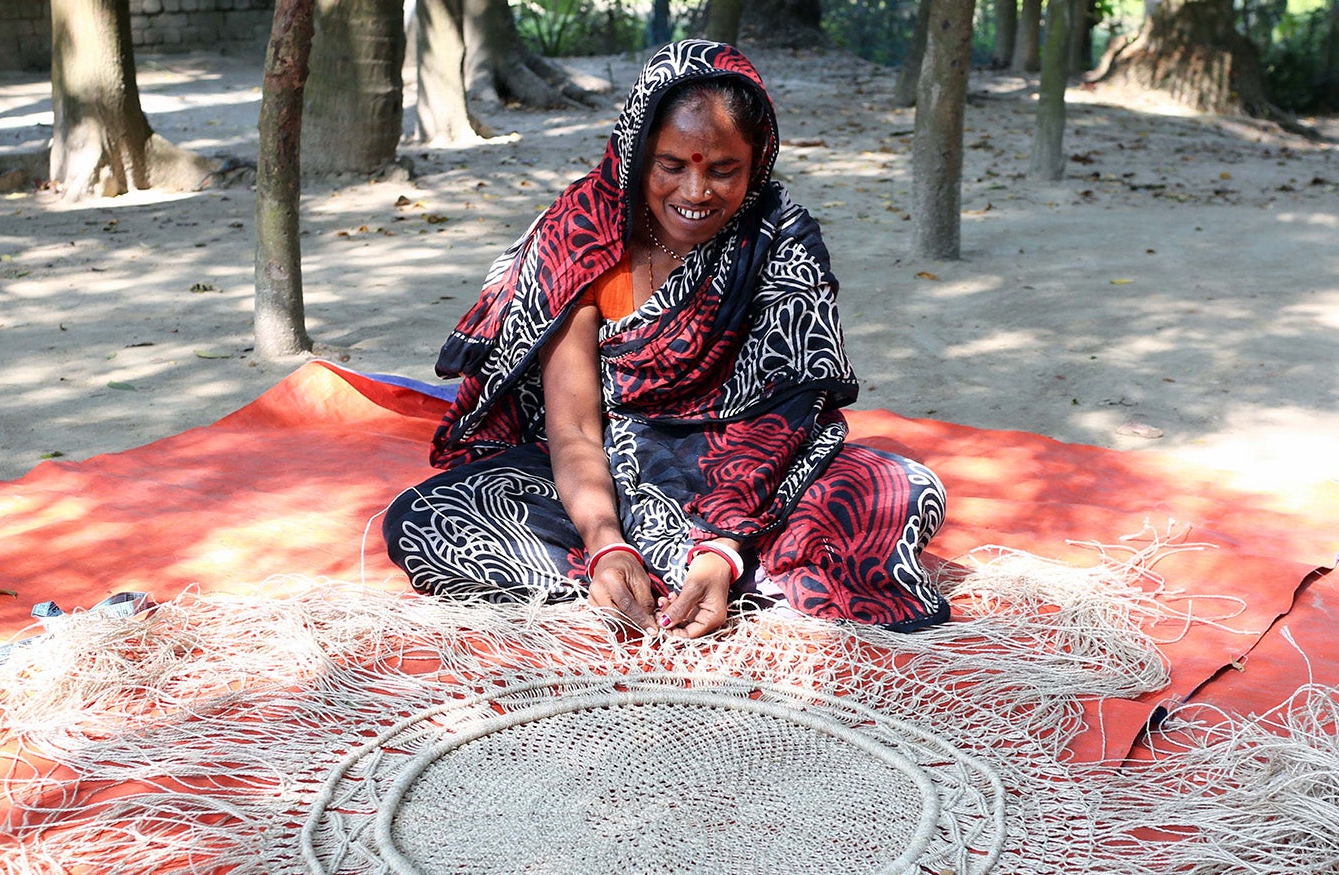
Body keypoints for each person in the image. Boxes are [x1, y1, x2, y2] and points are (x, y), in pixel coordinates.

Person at [383, 40, 949, 637]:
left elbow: (783, 419)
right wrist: (605, 542)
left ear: (756, 163)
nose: (696, 192)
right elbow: (573, 426)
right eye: (672, 165)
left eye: (723, 169)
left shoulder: (780, 241)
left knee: (900, 490)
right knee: (426, 521)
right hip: (603, 463)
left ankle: (704, 574)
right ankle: (669, 576)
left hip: (744, 468)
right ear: (638, 151)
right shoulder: (581, 236)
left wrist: (721, 547)